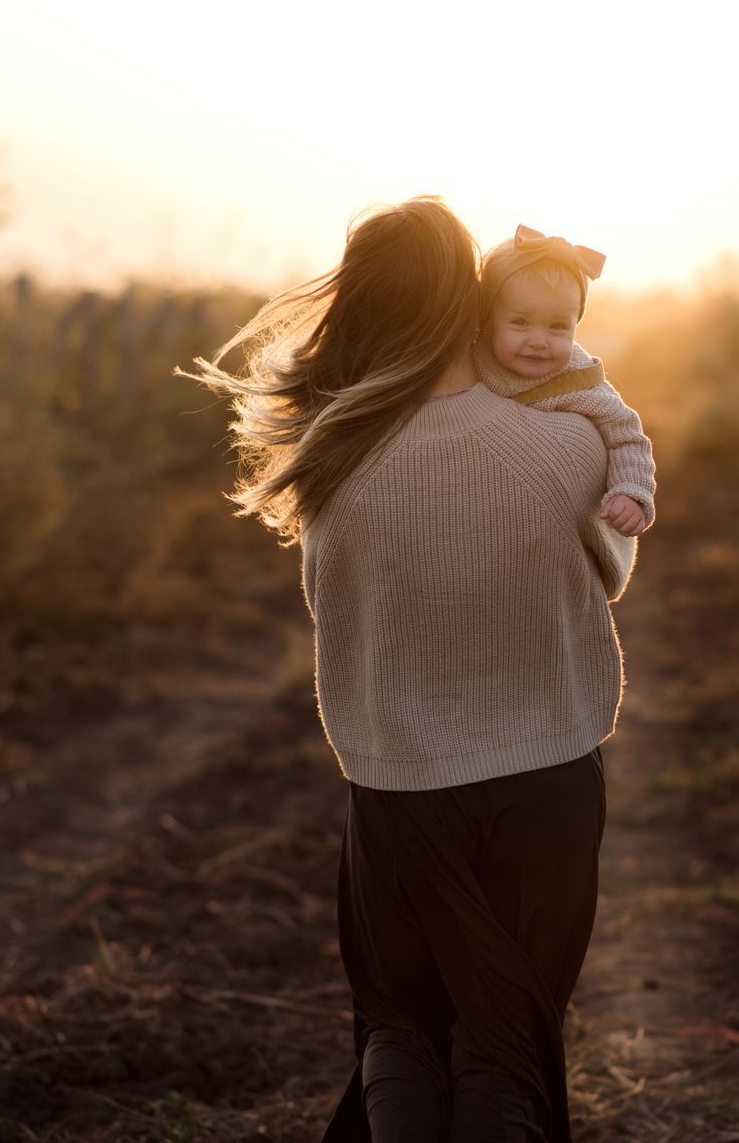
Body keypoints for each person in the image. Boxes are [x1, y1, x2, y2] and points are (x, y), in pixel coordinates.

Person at [183, 197, 638, 1141]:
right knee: (507, 1039)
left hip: (397, 791)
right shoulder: (565, 450)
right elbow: (613, 572)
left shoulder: (326, 457)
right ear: (467, 307)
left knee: (400, 1027)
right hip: (544, 778)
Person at [473, 225, 657, 538]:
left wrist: (630, 492)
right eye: (520, 322)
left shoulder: (578, 379)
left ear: (577, 323)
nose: (538, 341)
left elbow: (626, 436)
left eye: (558, 326)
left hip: (544, 522)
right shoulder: (470, 356)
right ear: (489, 318)